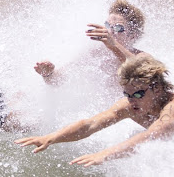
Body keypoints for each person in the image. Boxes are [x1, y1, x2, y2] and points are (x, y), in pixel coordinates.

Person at [16, 55, 174, 166]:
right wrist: (51, 138)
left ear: (158, 88)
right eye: (127, 94)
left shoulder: (171, 109)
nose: (132, 100)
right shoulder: (129, 105)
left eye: (139, 94)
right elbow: (90, 124)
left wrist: (105, 154)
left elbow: (151, 135)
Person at [34, 0, 146, 86]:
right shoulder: (96, 53)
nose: (109, 31)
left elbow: (142, 72)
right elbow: (58, 82)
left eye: (118, 28)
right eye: (107, 25)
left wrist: (113, 46)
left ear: (133, 36)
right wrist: (48, 73)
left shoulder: (141, 56)